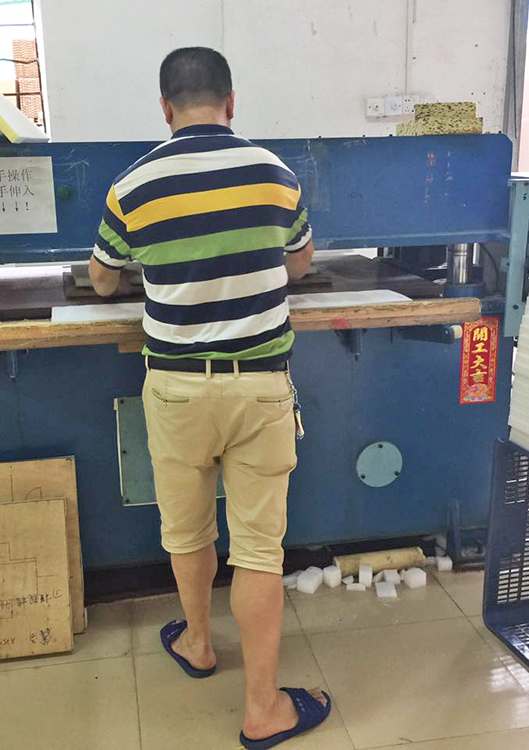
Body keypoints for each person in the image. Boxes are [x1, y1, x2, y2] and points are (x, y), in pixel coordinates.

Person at [89, 47, 330, 749]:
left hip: (176, 392)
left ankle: (198, 642)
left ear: (165, 108)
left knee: (188, 530)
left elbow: (102, 279)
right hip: (259, 388)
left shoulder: (133, 184)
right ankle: (263, 709)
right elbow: (300, 262)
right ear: (231, 103)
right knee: (258, 549)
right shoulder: (275, 173)